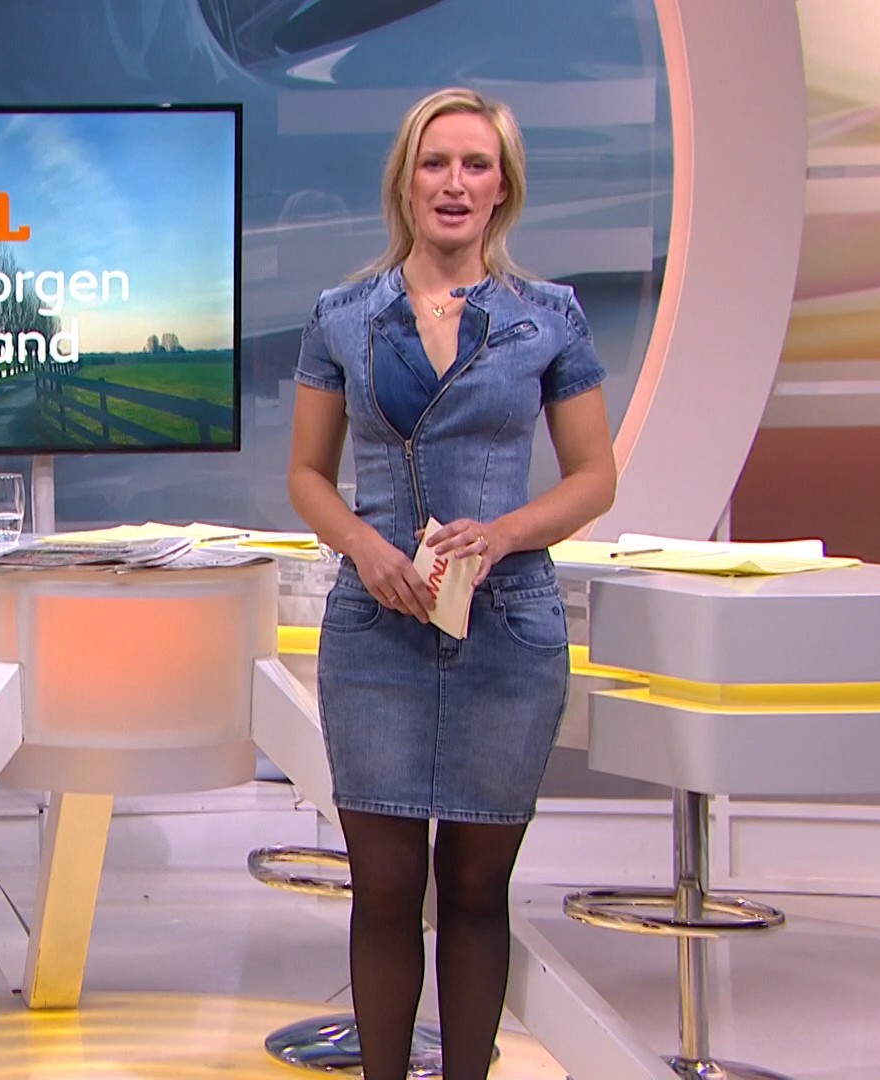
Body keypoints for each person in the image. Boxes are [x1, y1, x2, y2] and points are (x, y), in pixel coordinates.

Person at [286, 88, 616, 1080]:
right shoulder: (343, 317)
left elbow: (594, 476)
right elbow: (306, 475)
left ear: (503, 186)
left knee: (476, 889)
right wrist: (364, 548)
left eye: (477, 165)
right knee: (385, 888)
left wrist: (503, 534)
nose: (455, 183)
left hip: (505, 629)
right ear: (406, 180)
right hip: (375, 630)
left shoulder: (548, 317)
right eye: (436, 163)